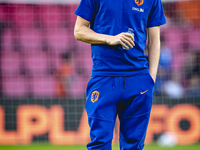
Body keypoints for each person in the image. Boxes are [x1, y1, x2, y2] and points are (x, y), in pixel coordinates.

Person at [74, 0, 166, 149]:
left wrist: (151, 79)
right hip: (103, 77)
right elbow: (78, 31)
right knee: (99, 143)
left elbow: (154, 40)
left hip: (138, 79)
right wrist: (110, 38)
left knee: (134, 145)